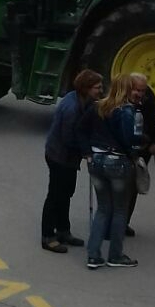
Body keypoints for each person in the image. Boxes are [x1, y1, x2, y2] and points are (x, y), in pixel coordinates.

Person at [77, 73, 141, 269]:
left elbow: (80, 129)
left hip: (96, 160)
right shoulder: (128, 111)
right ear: (127, 90)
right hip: (118, 163)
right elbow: (130, 139)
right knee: (120, 210)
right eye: (135, 89)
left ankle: (93, 255)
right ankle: (115, 255)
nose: (138, 93)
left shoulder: (98, 106)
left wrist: (87, 152)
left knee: (103, 208)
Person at [40, 69, 102, 253]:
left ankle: (63, 230)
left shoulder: (82, 100)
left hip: (66, 158)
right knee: (55, 195)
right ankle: (47, 235)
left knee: (66, 193)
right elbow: (69, 139)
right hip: (60, 157)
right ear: (86, 88)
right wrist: (87, 151)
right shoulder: (72, 109)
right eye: (97, 87)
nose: (100, 90)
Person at [125, 73, 155, 237]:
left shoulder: (149, 98)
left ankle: (123, 221)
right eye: (136, 90)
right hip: (123, 148)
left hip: (142, 148)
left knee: (133, 186)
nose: (140, 94)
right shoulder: (120, 96)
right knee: (119, 187)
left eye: (142, 90)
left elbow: (154, 120)